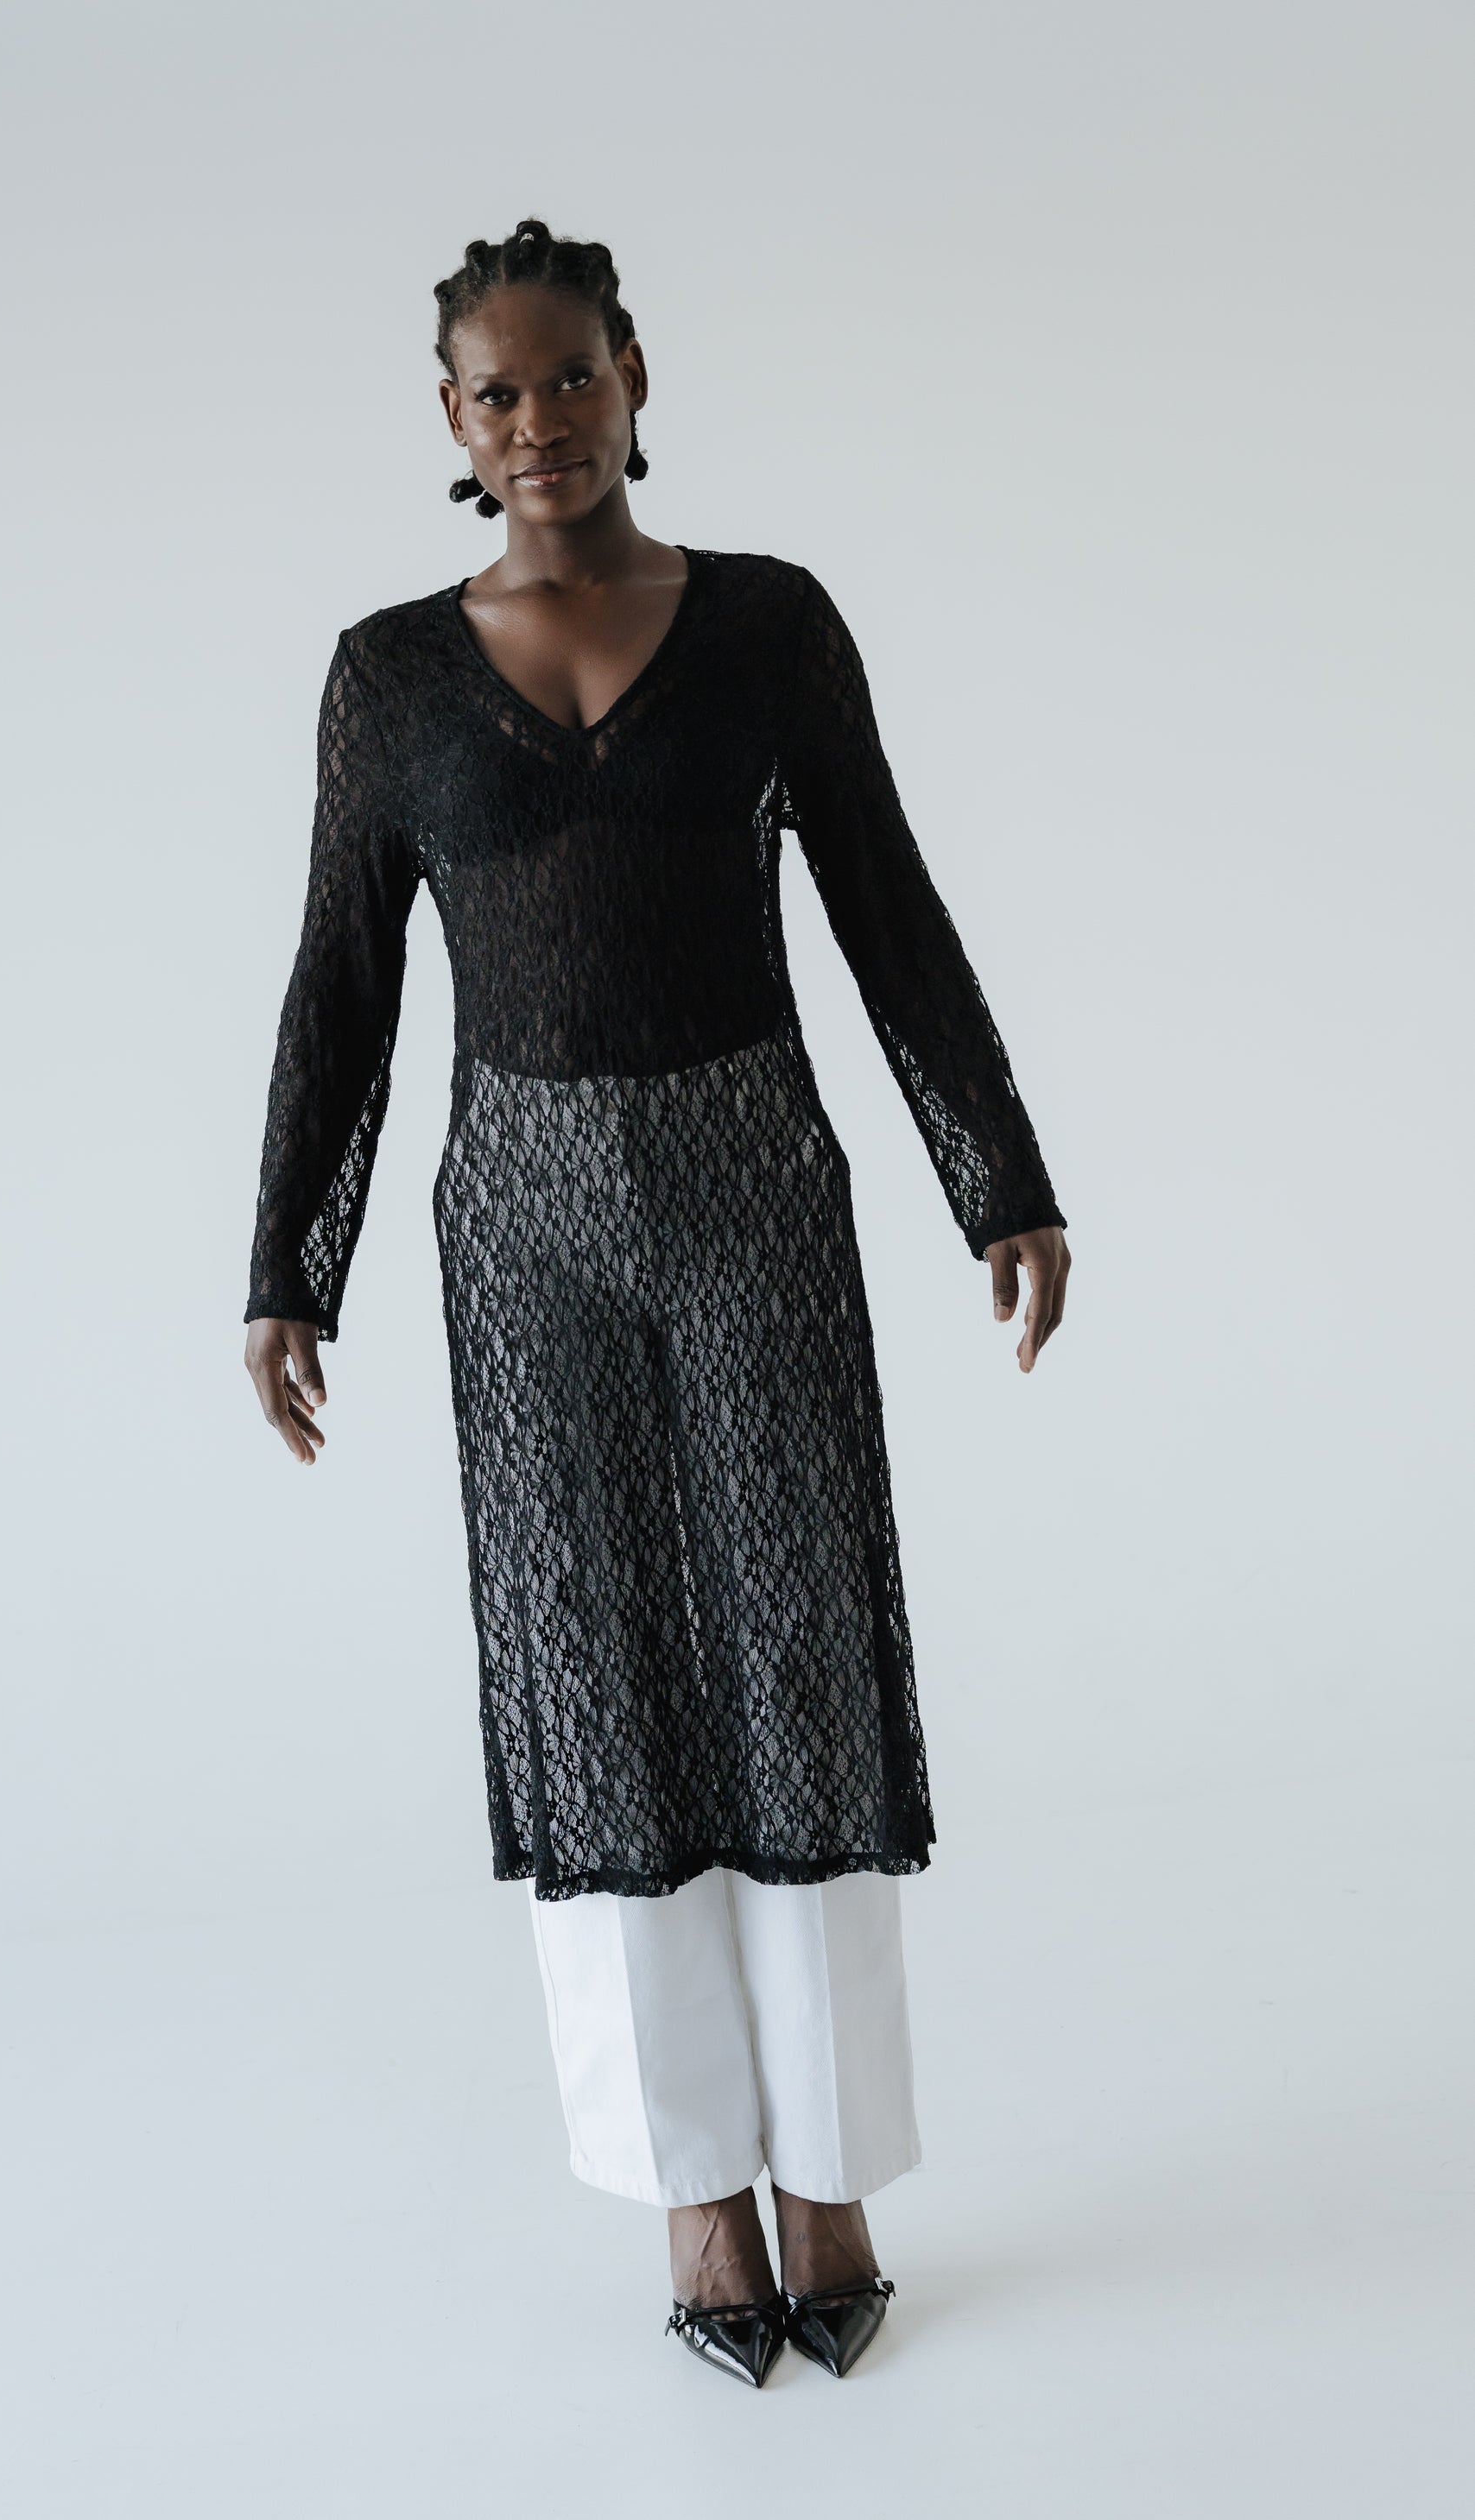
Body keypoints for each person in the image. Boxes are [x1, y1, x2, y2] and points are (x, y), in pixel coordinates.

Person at [244, 218, 1071, 2388]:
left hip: (751, 1184)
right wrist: (287, 1261)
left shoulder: (771, 625)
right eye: (496, 391)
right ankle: (696, 2187)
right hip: (518, 1219)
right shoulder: (387, 676)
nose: (539, 419)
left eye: (571, 376)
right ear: (450, 419)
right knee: (594, 1675)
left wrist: (995, 1172)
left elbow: (888, 899)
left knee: (801, 1653)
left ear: (634, 375)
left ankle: (832, 2176)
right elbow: (340, 981)